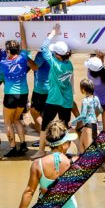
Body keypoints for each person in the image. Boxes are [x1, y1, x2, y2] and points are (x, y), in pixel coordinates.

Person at [37, 24, 74, 158]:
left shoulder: (53, 62)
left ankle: (41, 151)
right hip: (67, 99)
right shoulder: (69, 64)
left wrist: (53, 33)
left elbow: (43, 47)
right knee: (65, 127)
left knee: (45, 126)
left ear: (57, 55)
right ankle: (76, 149)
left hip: (54, 99)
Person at [0, 40, 33, 157]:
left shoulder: (4, 62)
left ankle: (13, 148)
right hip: (23, 94)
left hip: (10, 95)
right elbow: (24, 42)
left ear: (8, 51)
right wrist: (21, 28)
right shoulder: (23, 58)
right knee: (16, 120)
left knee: (8, 122)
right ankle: (23, 145)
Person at [69, 78, 101, 154]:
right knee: (81, 146)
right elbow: (100, 110)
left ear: (83, 90)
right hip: (95, 124)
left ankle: (90, 160)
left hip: (88, 126)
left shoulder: (85, 100)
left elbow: (83, 115)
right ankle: (85, 159)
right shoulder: (96, 98)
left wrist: (72, 122)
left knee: (87, 148)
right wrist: (94, 116)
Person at [28, 49, 50, 136]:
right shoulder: (53, 52)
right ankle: (39, 128)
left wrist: (25, 56)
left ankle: (44, 134)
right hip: (51, 87)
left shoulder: (42, 54)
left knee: (34, 111)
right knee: (44, 113)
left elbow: (34, 67)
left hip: (41, 88)